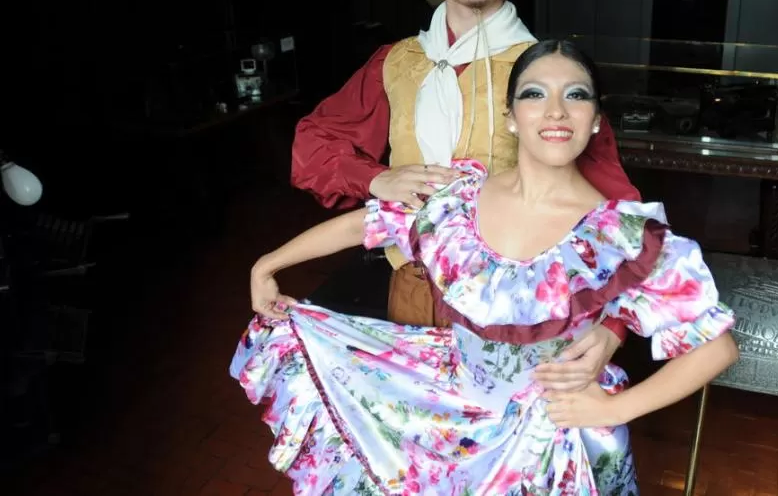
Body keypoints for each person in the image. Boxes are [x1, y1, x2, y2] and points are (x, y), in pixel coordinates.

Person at [233, 39, 739, 495]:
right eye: (536, 94)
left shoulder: (619, 234)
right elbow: (363, 225)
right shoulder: (459, 198)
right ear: (512, 116)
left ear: (597, 119)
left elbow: (716, 347)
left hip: (555, 446)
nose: (557, 111)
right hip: (453, 418)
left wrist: (615, 409)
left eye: (577, 95)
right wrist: (269, 263)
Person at [289, 0, 640, 391]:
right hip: (410, 295)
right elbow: (312, 144)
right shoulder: (397, 62)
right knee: (418, 454)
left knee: (506, 457)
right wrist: (377, 179)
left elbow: (618, 210)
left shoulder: (546, 73)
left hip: (518, 309)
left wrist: (611, 328)